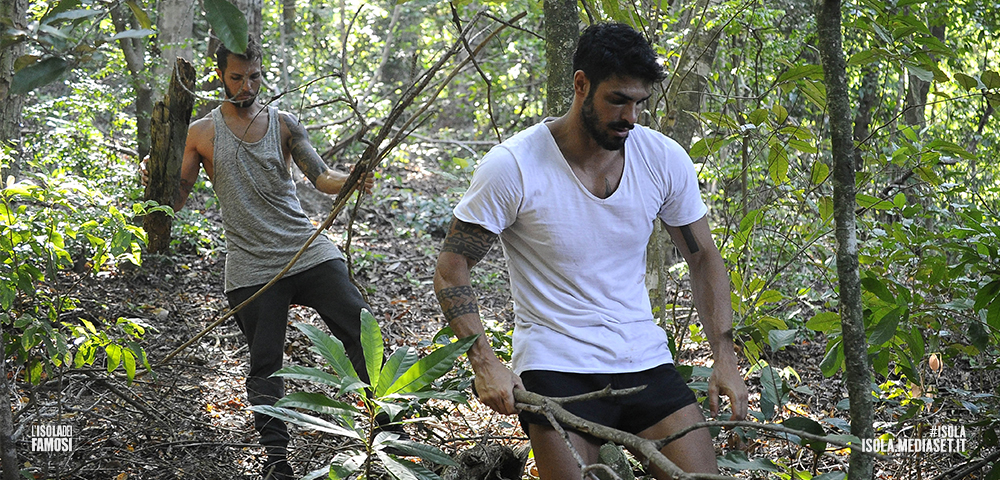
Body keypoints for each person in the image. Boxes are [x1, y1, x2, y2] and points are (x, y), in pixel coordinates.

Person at [433, 22, 748, 478]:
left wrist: (724, 357)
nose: (630, 116)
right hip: (554, 363)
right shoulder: (514, 166)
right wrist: (485, 363)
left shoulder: (662, 159)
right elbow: (452, 266)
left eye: (639, 102)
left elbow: (703, 257)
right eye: (617, 100)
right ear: (581, 84)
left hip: (643, 358)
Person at [146, 37, 376, 480]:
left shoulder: (284, 123)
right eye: (236, 78)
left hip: (305, 249)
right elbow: (175, 198)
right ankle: (277, 461)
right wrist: (154, 176)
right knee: (266, 362)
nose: (247, 87)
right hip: (250, 264)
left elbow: (321, 176)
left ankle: (387, 427)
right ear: (220, 75)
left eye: (254, 77)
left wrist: (351, 179)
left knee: (360, 328)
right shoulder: (201, 133)